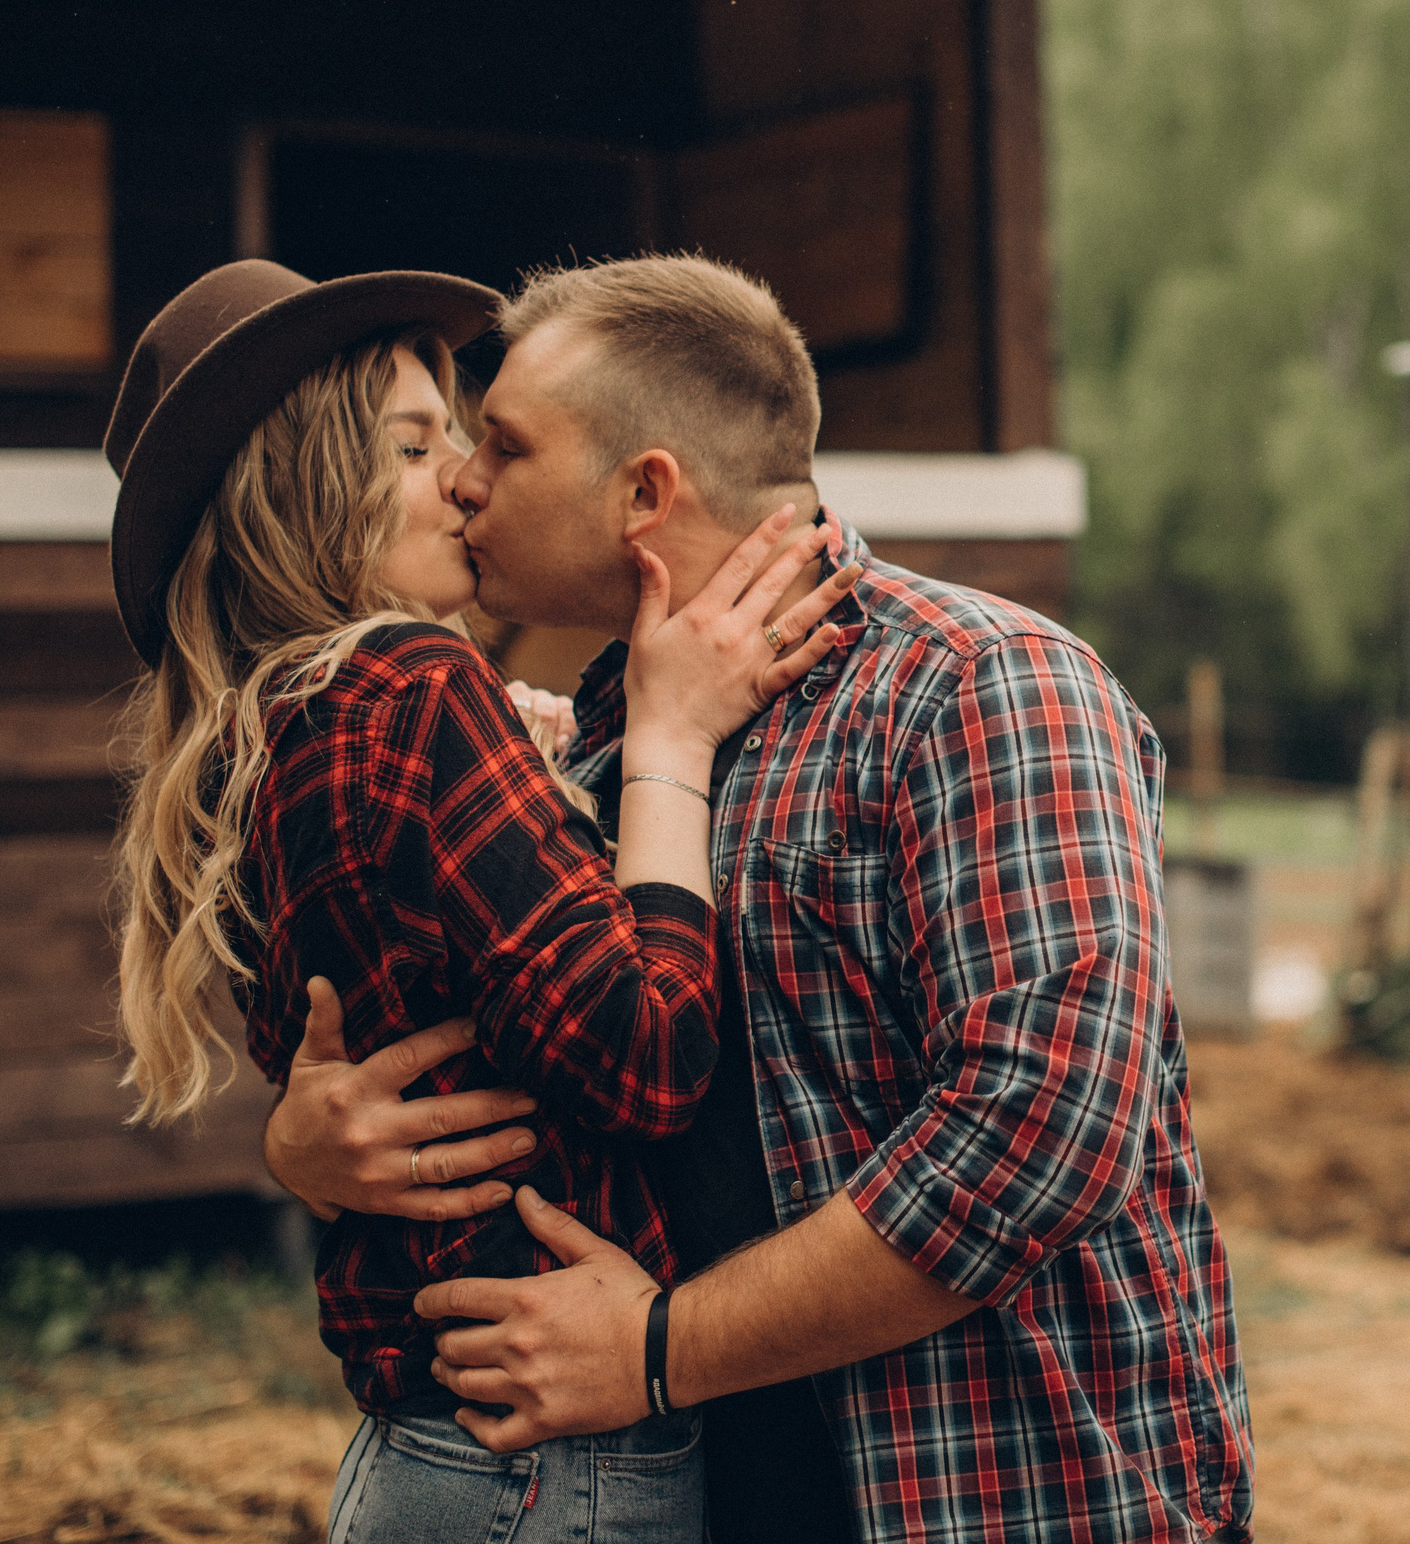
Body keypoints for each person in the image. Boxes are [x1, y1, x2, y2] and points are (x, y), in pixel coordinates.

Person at [262, 255, 1254, 1543]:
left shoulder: (982, 687)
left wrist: (661, 1348)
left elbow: (1042, 1130)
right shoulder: (601, 745)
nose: (460, 479)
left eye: (500, 444)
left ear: (643, 493)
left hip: (1000, 1495)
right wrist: (312, 1152)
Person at [104, 259, 856, 1544]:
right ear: (308, 492)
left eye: (466, 437)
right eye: (416, 444)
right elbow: (648, 1056)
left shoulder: (273, 735)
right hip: (540, 1458)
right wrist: (666, 744)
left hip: (437, 1446)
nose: (458, 475)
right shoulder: (409, 693)